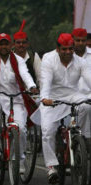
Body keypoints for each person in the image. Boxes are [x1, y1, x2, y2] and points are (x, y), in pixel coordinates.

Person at [40, 33, 91, 184]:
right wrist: (44, 98)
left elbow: (89, 79)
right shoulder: (49, 59)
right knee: (47, 131)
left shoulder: (80, 61)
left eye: (70, 49)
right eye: (64, 49)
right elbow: (45, 81)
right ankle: (51, 166)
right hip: (52, 97)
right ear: (57, 49)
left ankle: (82, 138)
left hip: (73, 95)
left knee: (87, 107)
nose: (68, 52)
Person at [0, 33, 38, 174]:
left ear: (10, 45)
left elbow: (25, 74)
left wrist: (31, 86)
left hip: (17, 97)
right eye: (0, 44)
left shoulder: (18, 60)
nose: (3, 47)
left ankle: (19, 160)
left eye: (6, 44)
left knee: (20, 129)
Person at [13, 20, 42, 87]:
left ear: (27, 44)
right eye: (18, 42)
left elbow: (40, 77)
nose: (21, 45)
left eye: (23, 42)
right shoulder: (9, 57)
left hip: (32, 92)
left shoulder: (34, 56)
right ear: (13, 44)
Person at [72, 28, 91, 94]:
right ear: (72, 40)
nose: (80, 43)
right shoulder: (67, 56)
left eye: (83, 40)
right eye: (78, 40)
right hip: (70, 99)